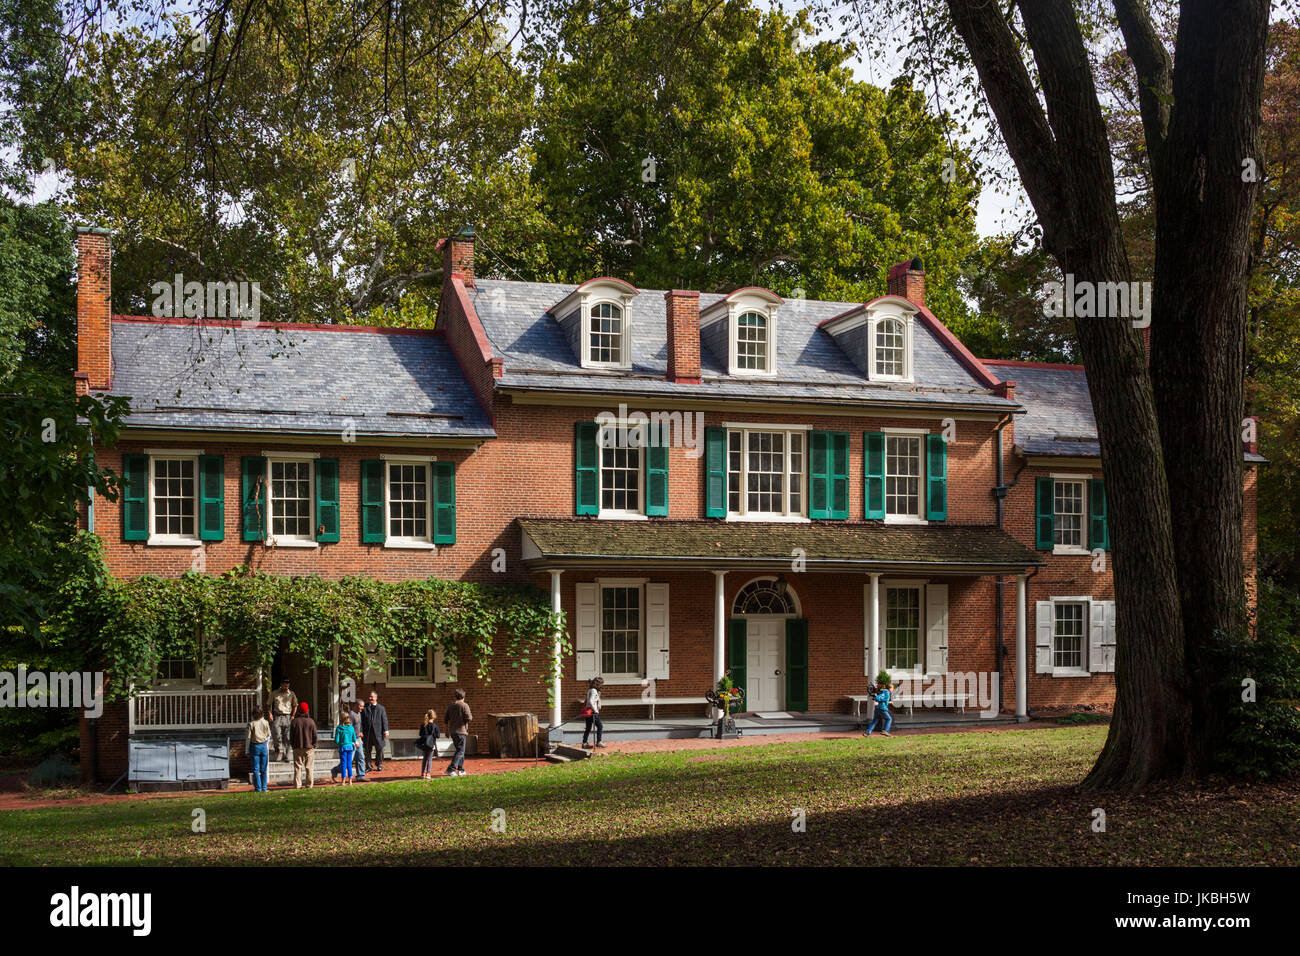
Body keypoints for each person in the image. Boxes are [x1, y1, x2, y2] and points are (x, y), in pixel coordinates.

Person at [332, 700, 366, 783]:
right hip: (350, 742)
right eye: (361, 706)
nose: (362, 708)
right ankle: (335, 770)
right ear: (356, 705)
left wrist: (360, 734)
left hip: (357, 739)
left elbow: (359, 726)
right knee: (348, 761)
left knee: (361, 757)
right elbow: (348, 728)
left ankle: (360, 775)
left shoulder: (359, 714)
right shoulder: (351, 714)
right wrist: (352, 741)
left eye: (363, 706)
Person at [290, 701, 318, 789]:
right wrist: (314, 745)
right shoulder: (311, 722)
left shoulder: (294, 722)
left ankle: (297, 785)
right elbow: (315, 735)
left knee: (297, 767)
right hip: (309, 747)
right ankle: (309, 785)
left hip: (297, 747)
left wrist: (293, 745)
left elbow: (291, 736)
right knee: (309, 767)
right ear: (307, 711)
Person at [444, 689, 472, 777]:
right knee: (460, 751)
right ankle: (451, 769)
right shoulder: (464, 705)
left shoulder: (451, 706)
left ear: (455, 696)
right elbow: (469, 718)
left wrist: (446, 730)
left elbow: (446, 719)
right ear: (463, 697)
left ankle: (461, 769)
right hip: (461, 731)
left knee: (460, 751)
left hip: (453, 731)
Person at [270, 678, 298, 762]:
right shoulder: (275, 693)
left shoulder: (291, 694)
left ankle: (286, 754)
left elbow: (295, 705)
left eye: (288, 685)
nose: (286, 686)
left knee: (287, 737)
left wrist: (293, 715)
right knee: (276, 734)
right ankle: (277, 748)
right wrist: (270, 714)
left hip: (287, 716)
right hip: (277, 716)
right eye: (285, 685)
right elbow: (268, 704)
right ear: (281, 684)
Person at [361, 691, 389, 773]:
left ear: (376, 698)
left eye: (372, 697)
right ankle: (368, 765)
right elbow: (362, 721)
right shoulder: (365, 708)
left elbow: (384, 720)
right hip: (368, 733)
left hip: (378, 733)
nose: (370, 698)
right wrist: (361, 731)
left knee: (380, 749)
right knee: (367, 750)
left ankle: (379, 764)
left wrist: (386, 730)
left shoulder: (381, 708)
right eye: (369, 697)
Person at [246, 705, 271, 792]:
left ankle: (258, 788)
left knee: (256, 769)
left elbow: (248, 738)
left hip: (255, 746)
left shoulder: (251, 724)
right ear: (262, 713)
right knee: (264, 769)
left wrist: (247, 750)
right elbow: (268, 736)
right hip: (264, 745)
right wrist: (266, 744)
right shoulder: (266, 722)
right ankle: (264, 787)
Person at [581, 676, 605, 750]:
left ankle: (584, 743)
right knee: (600, 726)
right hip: (592, 712)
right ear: (598, 684)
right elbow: (591, 701)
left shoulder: (591, 690)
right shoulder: (594, 691)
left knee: (588, 728)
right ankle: (599, 742)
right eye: (601, 684)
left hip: (588, 711)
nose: (602, 685)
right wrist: (595, 710)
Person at [334, 710, 357, 784]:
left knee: (343, 764)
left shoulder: (339, 728)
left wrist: (339, 742)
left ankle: (343, 781)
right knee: (349, 764)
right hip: (350, 747)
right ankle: (350, 780)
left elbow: (336, 740)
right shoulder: (351, 728)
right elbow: (354, 738)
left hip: (343, 747)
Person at [417, 709, 441, 779]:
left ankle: (422, 773)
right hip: (431, 744)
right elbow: (438, 736)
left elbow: (420, 734)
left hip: (424, 744)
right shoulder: (434, 726)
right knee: (430, 759)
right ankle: (428, 773)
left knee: (424, 758)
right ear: (434, 717)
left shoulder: (423, 725)